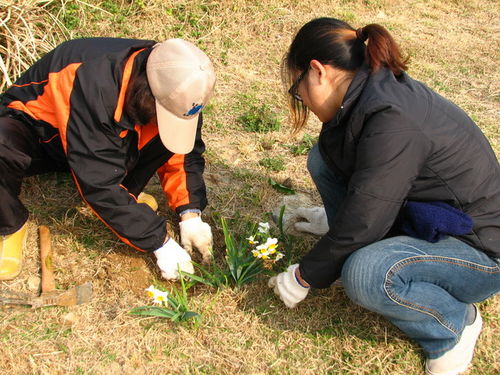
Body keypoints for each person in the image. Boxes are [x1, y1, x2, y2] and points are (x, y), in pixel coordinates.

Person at [268, 18, 499, 375]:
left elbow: (367, 217)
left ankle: (453, 326)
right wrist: (342, 227)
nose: (302, 101)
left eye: (298, 89)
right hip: (429, 213)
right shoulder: (369, 91)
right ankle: (340, 232)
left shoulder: (393, 118)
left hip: (478, 249)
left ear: (317, 71)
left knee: (367, 273)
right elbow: (372, 187)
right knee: (323, 159)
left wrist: (305, 275)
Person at [0, 37, 216, 282]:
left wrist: (190, 213)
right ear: (145, 93)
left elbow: (182, 152)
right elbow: (98, 184)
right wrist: (160, 243)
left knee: (165, 135)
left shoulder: (178, 84)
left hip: (98, 139)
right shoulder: (90, 80)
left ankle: (125, 197)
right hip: (43, 136)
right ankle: (10, 225)